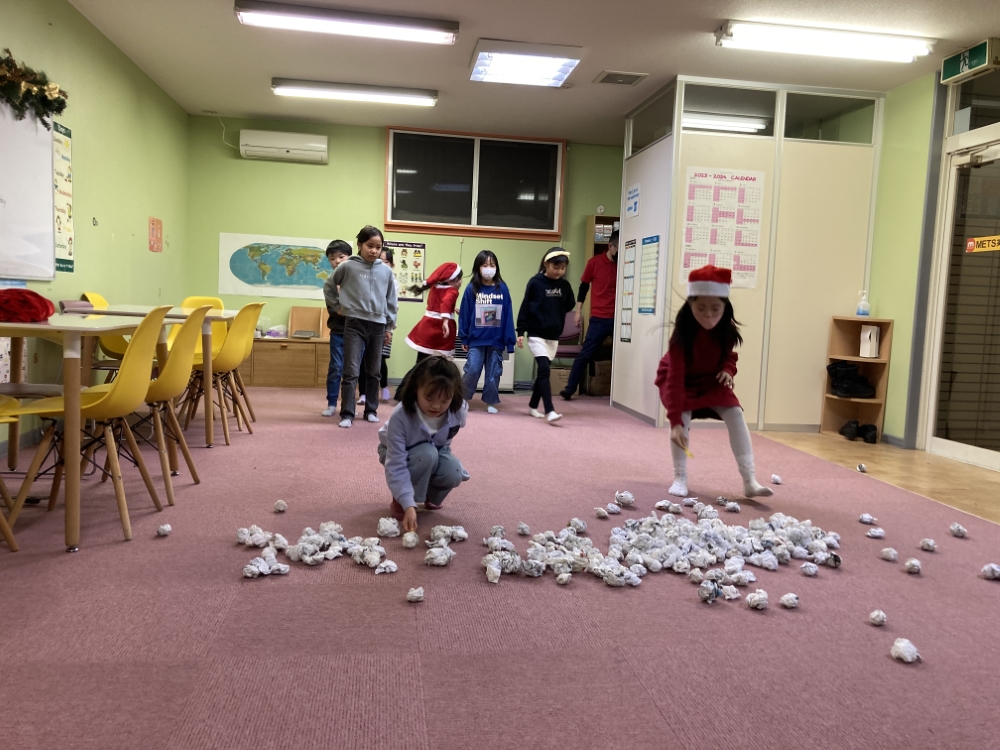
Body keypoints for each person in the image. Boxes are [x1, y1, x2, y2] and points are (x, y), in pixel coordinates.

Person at [654, 264, 773, 499]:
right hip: (679, 381)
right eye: (701, 308)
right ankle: (680, 477)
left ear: (725, 306)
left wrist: (728, 370)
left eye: (715, 309)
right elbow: (675, 378)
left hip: (710, 380)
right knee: (682, 419)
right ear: (690, 305)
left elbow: (728, 356)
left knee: (735, 413)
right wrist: (675, 422)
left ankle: (749, 480)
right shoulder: (681, 336)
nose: (709, 315)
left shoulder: (725, 329)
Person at [378, 356, 469, 533]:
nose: (436, 406)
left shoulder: (458, 410)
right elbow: (396, 464)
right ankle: (401, 498)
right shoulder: (401, 416)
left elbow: (446, 442)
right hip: (395, 452)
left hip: (435, 449)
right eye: (429, 398)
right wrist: (407, 503)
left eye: (445, 400)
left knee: (454, 470)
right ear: (416, 389)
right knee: (427, 454)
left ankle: (428, 494)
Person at [327, 225, 398, 428]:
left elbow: (391, 301)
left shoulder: (386, 271)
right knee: (350, 371)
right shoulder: (348, 266)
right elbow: (329, 287)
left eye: (378, 247)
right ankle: (347, 414)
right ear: (359, 245)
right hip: (354, 324)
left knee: (374, 371)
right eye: (369, 246)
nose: (374, 250)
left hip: (378, 326)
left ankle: (371, 410)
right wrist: (337, 307)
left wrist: (389, 327)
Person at [516, 248, 575, 424]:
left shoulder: (564, 286)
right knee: (544, 370)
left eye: (563, 268)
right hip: (536, 334)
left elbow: (569, 304)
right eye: (556, 267)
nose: (559, 271)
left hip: (553, 335)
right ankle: (550, 410)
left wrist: (555, 315)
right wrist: (521, 332)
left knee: (543, 372)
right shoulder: (535, 282)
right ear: (546, 264)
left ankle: (533, 406)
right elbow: (525, 307)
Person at [561, 230, 618, 400]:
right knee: (585, 354)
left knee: (626, 355)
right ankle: (569, 389)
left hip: (620, 319)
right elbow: (583, 287)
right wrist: (578, 312)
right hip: (599, 319)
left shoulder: (626, 263)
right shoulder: (594, 263)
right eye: (618, 249)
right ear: (610, 246)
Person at [458, 250, 516, 414]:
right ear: (478, 267)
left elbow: (508, 314)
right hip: (476, 339)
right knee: (472, 369)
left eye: (492, 265)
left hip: (496, 340)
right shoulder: (471, 289)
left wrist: (509, 341)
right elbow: (464, 314)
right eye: (485, 265)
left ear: (497, 267)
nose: (489, 268)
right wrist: (464, 338)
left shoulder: (502, 288)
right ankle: (462, 399)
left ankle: (491, 401)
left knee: (493, 373)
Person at [358, 247, 400, 405]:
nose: (382, 264)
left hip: (384, 324)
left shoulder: (393, 282)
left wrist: (389, 327)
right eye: (379, 261)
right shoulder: (368, 276)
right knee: (362, 358)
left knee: (380, 359)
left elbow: (393, 306)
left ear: (392, 264)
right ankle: (363, 393)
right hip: (365, 323)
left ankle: (383, 386)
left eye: (386, 261)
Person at [404, 262, 462, 362]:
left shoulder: (434, 288)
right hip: (440, 328)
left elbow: (437, 304)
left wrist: (450, 309)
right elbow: (446, 301)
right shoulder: (452, 291)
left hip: (426, 326)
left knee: (422, 359)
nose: (461, 281)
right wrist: (445, 320)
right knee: (440, 361)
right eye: (460, 278)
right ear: (452, 280)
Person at [321, 239, 352, 418]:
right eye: (332, 259)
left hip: (357, 332)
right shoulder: (330, 283)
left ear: (350, 257)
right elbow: (335, 310)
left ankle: (349, 405)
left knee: (353, 370)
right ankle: (332, 403)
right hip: (338, 332)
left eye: (341, 257)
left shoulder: (357, 279)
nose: (337, 261)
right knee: (336, 367)